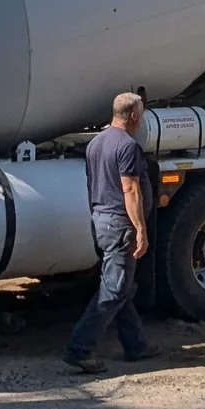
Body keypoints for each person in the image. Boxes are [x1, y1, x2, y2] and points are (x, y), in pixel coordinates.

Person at [64, 91, 159, 373]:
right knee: (115, 289)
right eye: (140, 114)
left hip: (101, 221)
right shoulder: (128, 147)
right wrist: (141, 229)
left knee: (121, 287)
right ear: (133, 116)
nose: (141, 120)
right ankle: (79, 349)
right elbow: (130, 189)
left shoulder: (95, 144)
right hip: (120, 224)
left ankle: (136, 345)